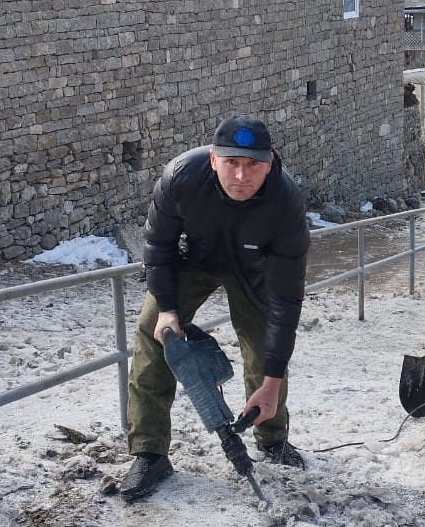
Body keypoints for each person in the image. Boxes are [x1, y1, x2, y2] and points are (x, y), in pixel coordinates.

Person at [119, 114, 311, 503]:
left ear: (270, 162)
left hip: (256, 269)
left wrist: (271, 382)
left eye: (253, 164)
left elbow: (287, 301)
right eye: (232, 163)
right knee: (152, 331)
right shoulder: (180, 177)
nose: (242, 175)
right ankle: (149, 451)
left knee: (263, 345)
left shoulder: (286, 202)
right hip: (194, 260)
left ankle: (272, 437)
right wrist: (169, 310)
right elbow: (157, 247)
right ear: (212, 159)